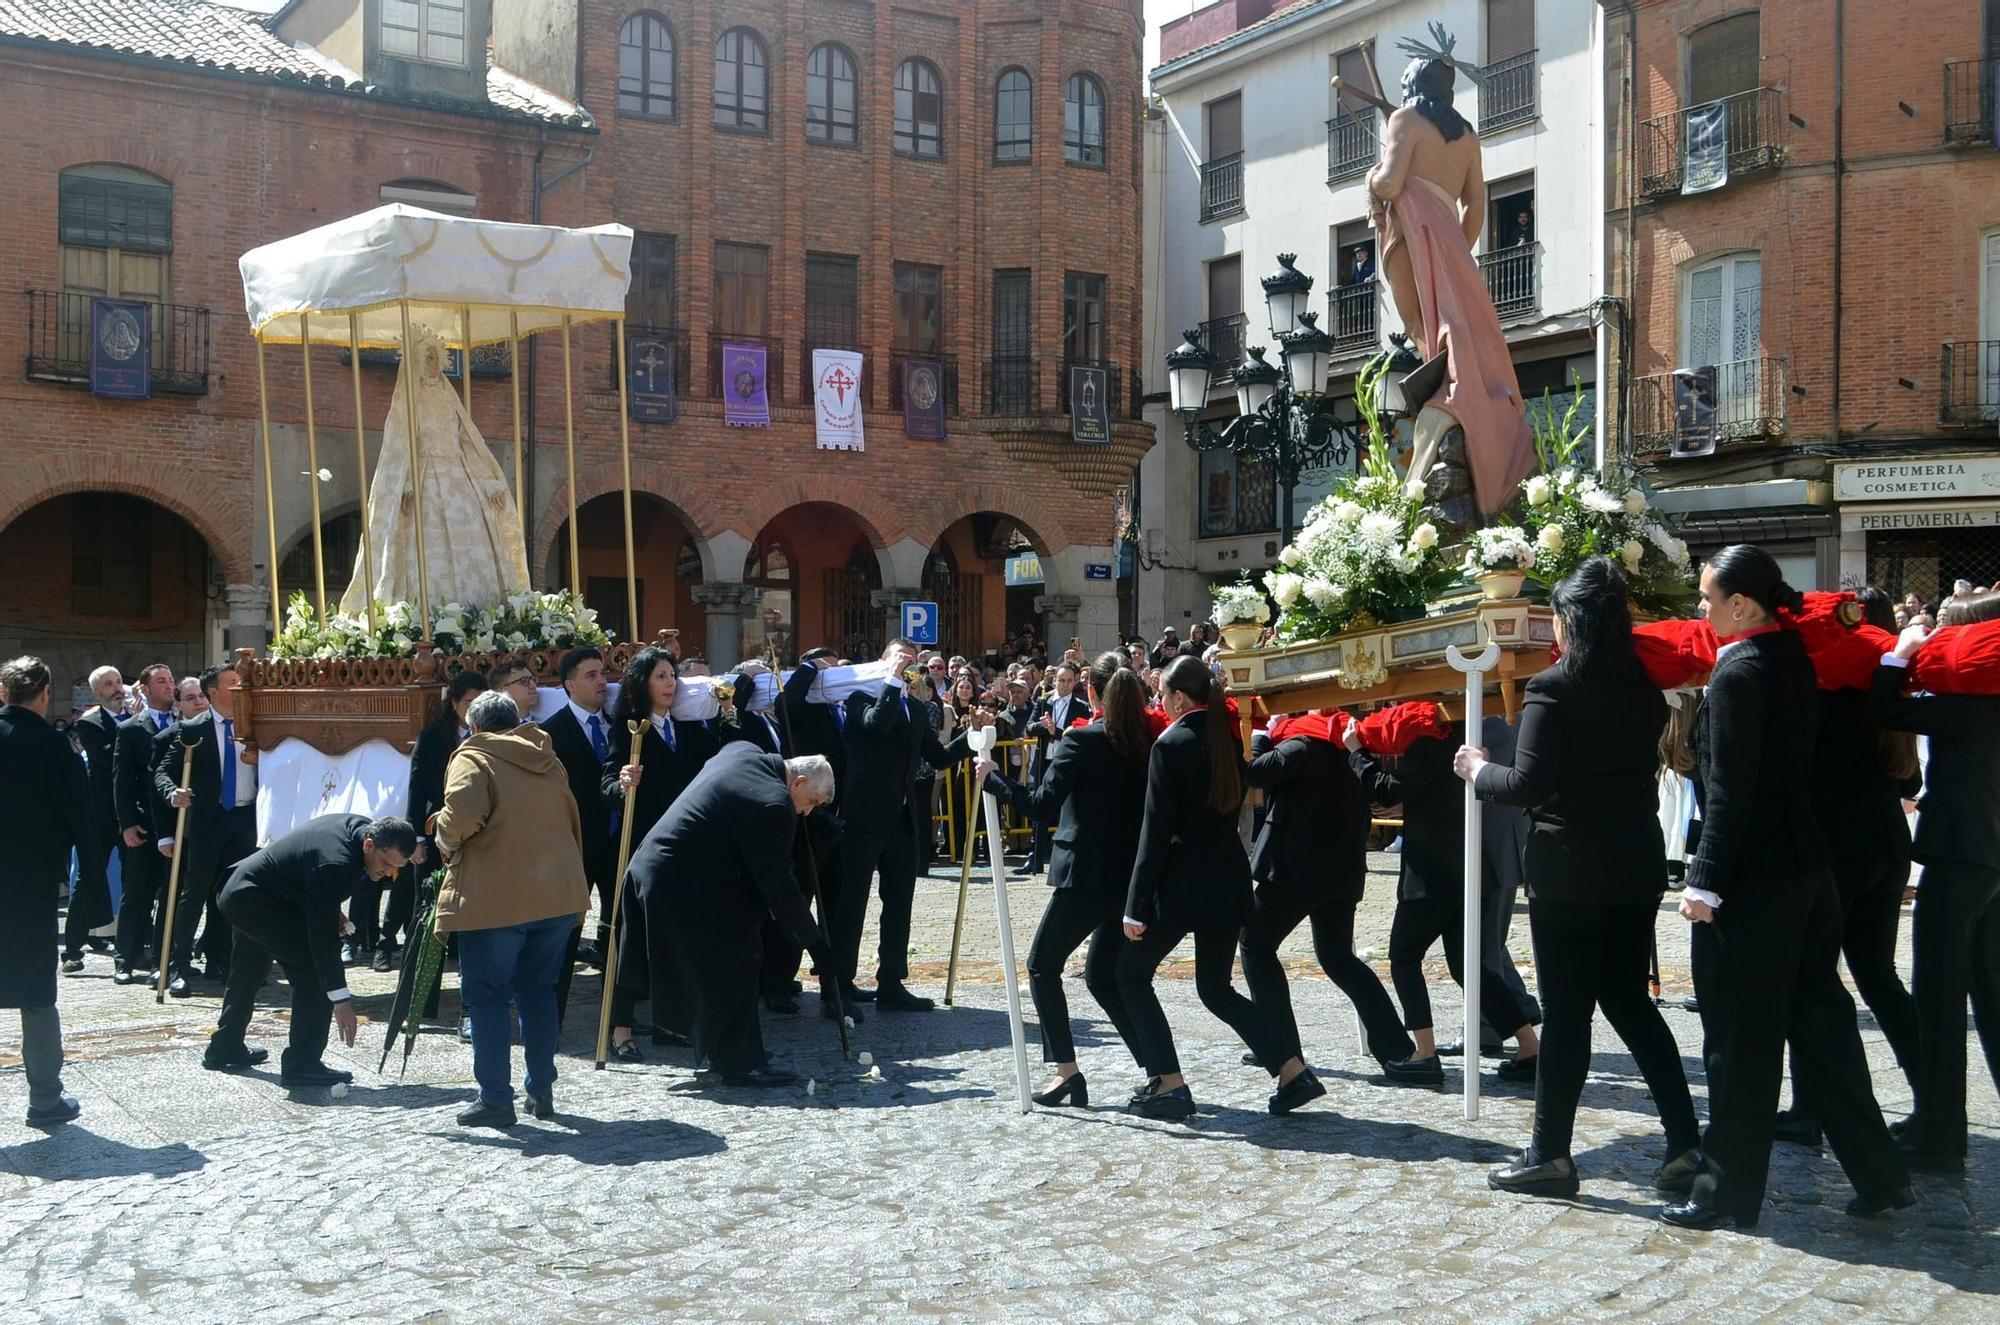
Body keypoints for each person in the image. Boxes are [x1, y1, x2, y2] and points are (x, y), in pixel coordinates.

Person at [1667, 544, 1912, 1229]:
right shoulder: (1791, 658)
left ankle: (1725, 1194)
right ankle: (1884, 1174)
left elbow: (1731, 794)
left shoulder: (1740, 672)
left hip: (1759, 885)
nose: (1700, 609)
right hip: (1809, 876)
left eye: (1707, 598)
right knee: (1824, 1029)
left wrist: (1705, 882)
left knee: (1741, 1043)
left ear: (1741, 604)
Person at [1451, 557, 1701, 1198]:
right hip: (1634, 861)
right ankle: (1685, 1144)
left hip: (1570, 868)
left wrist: (1478, 769)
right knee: (1629, 1002)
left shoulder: (1554, 688)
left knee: (1567, 1015)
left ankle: (1551, 1156)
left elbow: (1529, 783)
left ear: (1570, 623)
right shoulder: (1642, 688)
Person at [1119, 656, 1324, 1120]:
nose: (1159, 702)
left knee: (1129, 975)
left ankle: (1169, 1083)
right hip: (1225, 879)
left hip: (1181, 884)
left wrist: (1136, 905)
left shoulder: (1170, 744)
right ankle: (1293, 1070)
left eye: (1162, 694)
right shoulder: (1224, 739)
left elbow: (1154, 832)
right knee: (1215, 988)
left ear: (1177, 698)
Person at [1775, 586, 1922, 1148]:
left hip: (1841, 849)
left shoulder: (1832, 690)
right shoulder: (1885, 692)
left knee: (1811, 981)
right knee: (1878, 977)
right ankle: (1935, 1100)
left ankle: (1815, 1109)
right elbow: (1908, 779)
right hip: (1886, 844)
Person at [1367, 41, 1534, 518]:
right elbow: (1475, 204)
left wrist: (1371, 176)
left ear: (1412, 89)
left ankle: (1442, 397)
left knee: (1422, 326)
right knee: (1457, 330)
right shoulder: (1468, 138)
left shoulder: (1404, 121)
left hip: (1410, 238)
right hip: (1452, 247)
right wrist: (1454, 246)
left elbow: (1391, 185)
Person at [976, 651, 1150, 1107]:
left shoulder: (1083, 741)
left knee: (1042, 966)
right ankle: (1157, 1067)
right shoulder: (1148, 741)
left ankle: (1067, 1070)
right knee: (1103, 977)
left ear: (1092, 692)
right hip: (1129, 877)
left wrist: (994, 780)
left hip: (1086, 876)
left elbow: (1040, 805)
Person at [1867, 587, 2000, 1174]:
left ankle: (1941, 1133)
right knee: (1991, 996)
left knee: (1939, 999)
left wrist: (1900, 656)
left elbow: (1883, 710)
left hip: (1956, 857)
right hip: (1989, 858)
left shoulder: (1966, 700)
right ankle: (1938, 1123)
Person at [618, 745, 837, 1086]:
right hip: (678, 883)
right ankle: (741, 1064)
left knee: (734, 956)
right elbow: (779, 887)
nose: (807, 814)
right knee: (740, 957)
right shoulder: (773, 802)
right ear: (798, 782)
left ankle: (728, 1054)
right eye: (811, 802)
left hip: (661, 870)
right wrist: (817, 945)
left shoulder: (743, 753)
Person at [1348, 718, 1542, 1085]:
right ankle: (1529, 1046)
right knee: (1468, 966)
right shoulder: (1463, 735)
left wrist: (1357, 752)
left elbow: (1388, 790)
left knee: (1404, 958)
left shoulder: (1428, 740)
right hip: (1470, 866)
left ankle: (1424, 1052)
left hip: (1433, 872)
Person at [432, 692, 590, 1128]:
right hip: (557, 894)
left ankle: (496, 1100)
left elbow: (460, 816)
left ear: (474, 727)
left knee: (487, 998)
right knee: (538, 992)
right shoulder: (547, 756)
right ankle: (541, 1091)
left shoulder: (473, 757)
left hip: (496, 898)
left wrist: (443, 842)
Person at [1241, 709, 1415, 1075]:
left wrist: (1259, 732)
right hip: (1340, 870)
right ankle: (1397, 1051)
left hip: (1296, 871)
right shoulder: (1346, 745)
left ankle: (1280, 1049)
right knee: (1338, 958)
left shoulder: (1303, 744)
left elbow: (1253, 772)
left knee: (1255, 944)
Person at [202, 813, 413, 1088]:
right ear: (369, 845)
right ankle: (302, 1064)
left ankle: (224, 1047)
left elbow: (312, 872)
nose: (388, 874)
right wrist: (341, 999)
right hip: (258, 900)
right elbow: (322, 942)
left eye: (397, 869)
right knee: (312, 972)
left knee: (248, 970)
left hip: (244, 888)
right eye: (386, 864)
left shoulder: (358, 829)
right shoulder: (338, 864)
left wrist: (330, 908)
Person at [832, 639, 981, 1014]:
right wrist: (891, 679)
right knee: (852, 903)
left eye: (913, 664)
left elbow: (940, 756)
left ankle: (891, 981)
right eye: (902, 663)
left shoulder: (916, 709)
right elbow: (876, 726)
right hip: (863, 816)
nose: (910, 670)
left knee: (899, 903)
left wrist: (973, 734)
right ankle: (839, 985)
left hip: (901, 818)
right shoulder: (860, 698)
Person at [1, 656, 106, 1126]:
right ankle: (44, 1098)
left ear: (4, 693)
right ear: (44, 695)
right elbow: (84, 824)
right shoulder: (57, 748)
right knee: (37, 993)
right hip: (31, 888)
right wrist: (96, 897)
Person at [603, 646, 720, 1057]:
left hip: (686, 846)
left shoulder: (688, 728)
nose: (670, 685)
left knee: (682, 937)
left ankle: (674, 1021)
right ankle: (619, 1027)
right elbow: (608, 782)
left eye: (673, 676)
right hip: (644, 845)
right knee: (634, 939)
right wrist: (622, 782)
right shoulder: (630, 728)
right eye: (661, 677)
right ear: (642, 683)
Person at [366, 669, 487, 972]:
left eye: (479, 702)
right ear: (455, 704)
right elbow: (417, 787)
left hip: (474, 828)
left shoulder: (488, 735)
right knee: (421, 893)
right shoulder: (434, 736)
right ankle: (390, 943)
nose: (473, 710)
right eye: (468, 703)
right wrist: (417, 837)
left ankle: (457, 950)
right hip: (436, 827)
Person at [156, 665, 259, 997]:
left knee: (233, 894)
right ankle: (178, 966)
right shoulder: (192, 729)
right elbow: (163, 772)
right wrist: (173, 792)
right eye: (232, 683)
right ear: (213, 692)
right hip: (209, 818)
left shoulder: (254, 724)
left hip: (245, 818)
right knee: (194, 893)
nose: (239, 687)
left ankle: (223, 960)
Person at [538, 647, 616, 981]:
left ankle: (617, 1007)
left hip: (617, 843)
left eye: (603, 673)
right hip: (575, 846)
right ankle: (553, 1003)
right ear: (570, 685)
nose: (602, 681)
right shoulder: (550, 733)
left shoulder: (622, 726)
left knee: (617, 925)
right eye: (591, 675)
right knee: (567, 929)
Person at [110, 663, 176, 984]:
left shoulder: (184, 724)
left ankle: (163, 958)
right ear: (146, 690)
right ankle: (125, 958)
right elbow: (121, 782)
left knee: (170, 894)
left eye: (171, 680)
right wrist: (127, 823)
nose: (169, 686)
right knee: (136, 892)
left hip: (174, 827)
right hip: (143, 824)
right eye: (161, 681)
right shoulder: (131, 729)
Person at [64, 664, 127, 975]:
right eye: (109, 684)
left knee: (136, 880)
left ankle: (131, 943)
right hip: (100, 814)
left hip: (131, 812)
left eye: (119, 682)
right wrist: (131, 727)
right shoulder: (90, 723)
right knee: (88, 878)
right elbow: (107, 759)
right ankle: (73, 950)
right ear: (97, 692)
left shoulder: (135, 719)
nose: (117, 688)